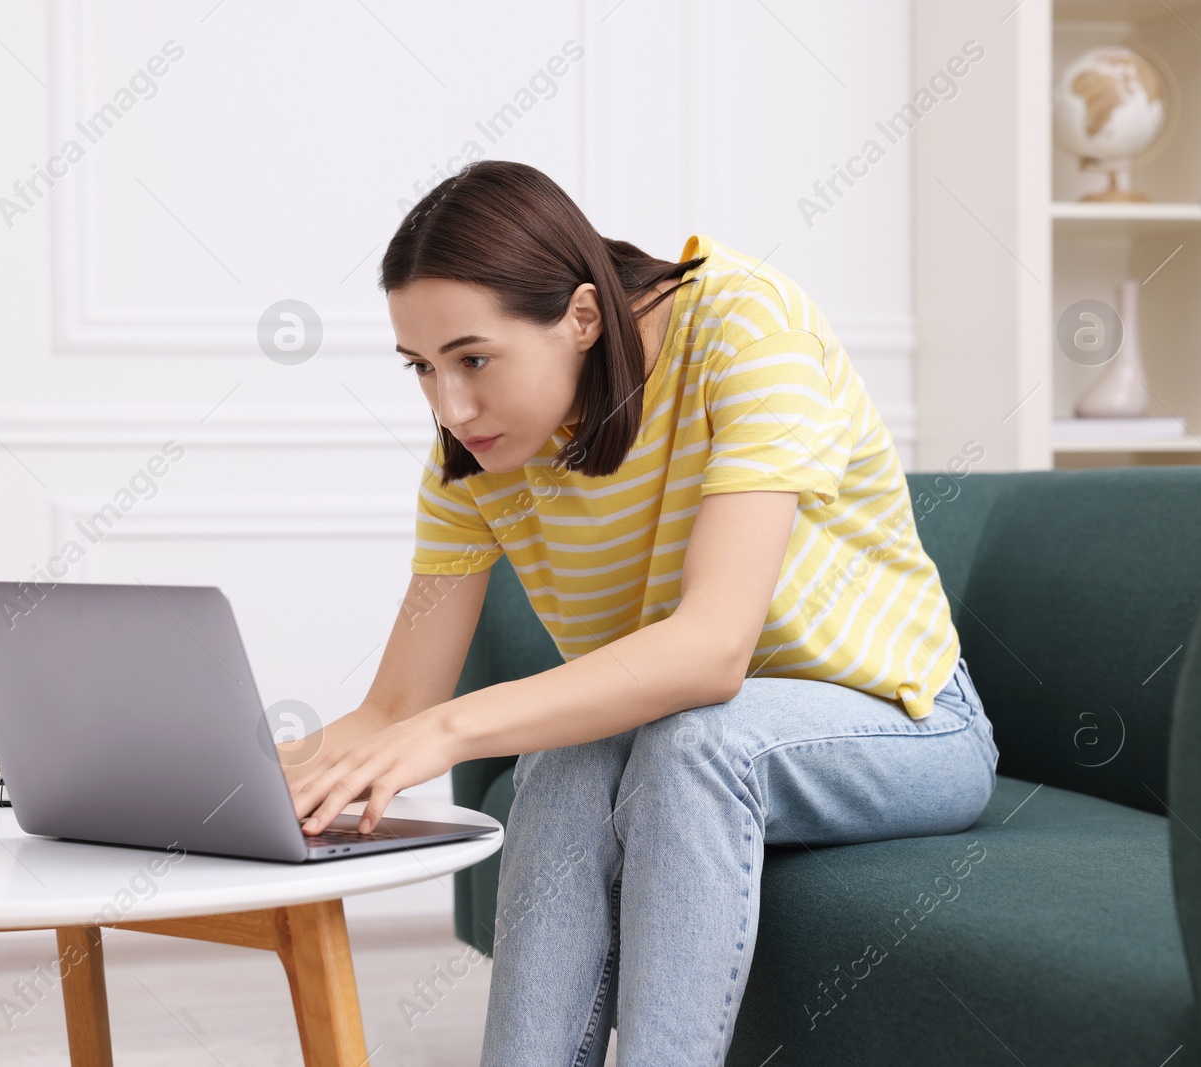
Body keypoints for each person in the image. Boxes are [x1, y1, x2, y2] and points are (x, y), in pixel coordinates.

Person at [282, 159, 999, 1065]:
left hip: (908, 725)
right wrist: (232, 781)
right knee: (568, 758)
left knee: (697, 743)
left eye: (472, 359)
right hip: (702, 734)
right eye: (421, 368)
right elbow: (393, 709)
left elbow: (711, 653)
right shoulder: (476, 456)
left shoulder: (747, 330)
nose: (449, 404)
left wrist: (456, 728)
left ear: (582, 316)